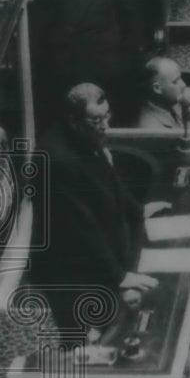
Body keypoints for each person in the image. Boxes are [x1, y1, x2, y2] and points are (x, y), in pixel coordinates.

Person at [29, 83, 158, 331]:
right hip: (69, 272)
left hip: (95, 259)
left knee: (109, 325)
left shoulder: (85, 133)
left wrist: (138, 210)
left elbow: (109, 180)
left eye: (106, 116)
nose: (105, 126)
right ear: (73, 119)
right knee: (81, 341)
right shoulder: (55, 160)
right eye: (97, 120)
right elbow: (82, 226)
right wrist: (119, 276)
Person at [135, 56, 190, 130]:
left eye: (180, 78)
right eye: (175, 81)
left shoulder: (171, 101)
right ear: (157, 88)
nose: (183, 84)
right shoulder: (153, 128)